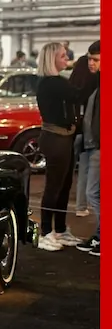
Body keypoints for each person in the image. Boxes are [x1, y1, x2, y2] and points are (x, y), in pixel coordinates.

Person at [34, 41, 96, 251]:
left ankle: (59, 230)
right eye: (62, 56)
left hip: (62, 138)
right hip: (55, 139)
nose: (66, 59)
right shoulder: (52, 83)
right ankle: (44, 233)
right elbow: (78, 94)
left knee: (63, 186)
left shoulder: (54, 81)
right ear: (52, 59)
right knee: (54, 187)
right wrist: (99, 74)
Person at [76, 40, 100, 256]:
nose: (90, 63)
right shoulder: (96, 82)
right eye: (89, 59)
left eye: (95, 60)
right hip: (93, 145)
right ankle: (99, 236)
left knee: (93, 193)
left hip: (99, 147)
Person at [68, 54, 100, 217]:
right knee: (89, 174)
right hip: (89, 136)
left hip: (75, 133)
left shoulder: (73, 85)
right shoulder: (93, 86)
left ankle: (80, 206)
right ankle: (83, 207)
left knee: (81, 172)